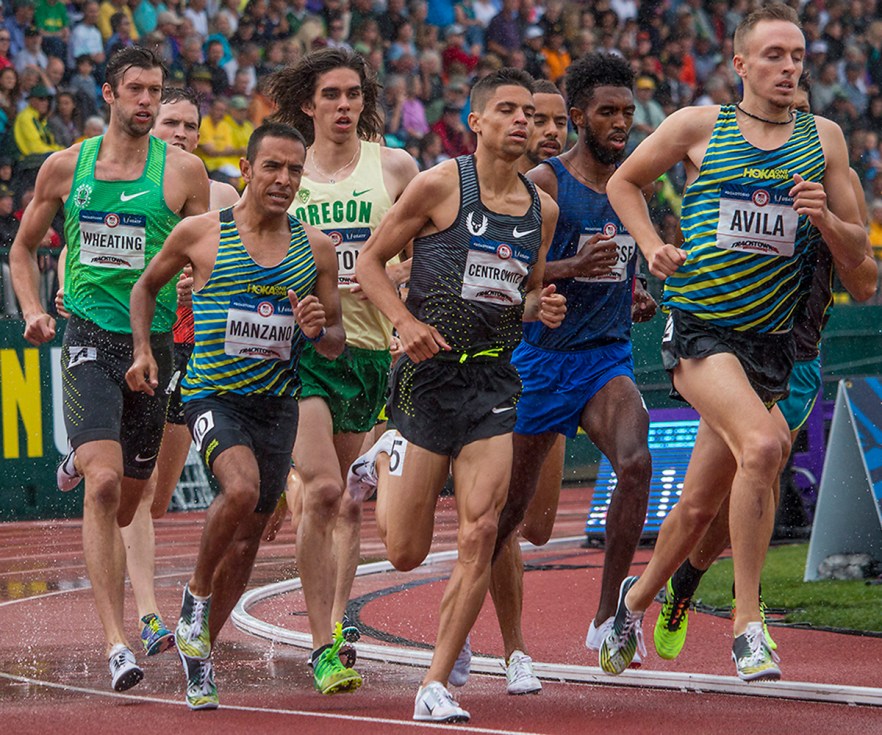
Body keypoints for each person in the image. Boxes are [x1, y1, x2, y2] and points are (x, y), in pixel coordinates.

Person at [600, 3, 868, 681]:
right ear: (741, 65)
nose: (788, 67)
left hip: (775, 344)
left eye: (798, 56)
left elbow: (862, 259)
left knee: (696, 505)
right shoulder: (700, 125)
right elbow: (623, 180)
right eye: (773, 55)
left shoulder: (825, 139)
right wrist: (653, 243)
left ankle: (631, 603)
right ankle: (749, 623)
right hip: (700, 325)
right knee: (766, 446)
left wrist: (827, 218)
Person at [349, 67, 566, 723]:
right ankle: (384, 453)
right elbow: (368, 263)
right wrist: (406, 323)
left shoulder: (542, 210)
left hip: (493, 383)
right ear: (477, 121)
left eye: (530, 111)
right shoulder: (442, 184)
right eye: (507, 109)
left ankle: (435, 682)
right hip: (425, 379)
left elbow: (514, 290)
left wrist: (538, 304)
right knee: (405, 551)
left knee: (483, 528)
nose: (523, 121)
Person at [652, 73, 877, 663]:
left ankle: (674, 588)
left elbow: (865, 279)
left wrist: (825, 218)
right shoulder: (724, 149)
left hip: (793, 358)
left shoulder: (834, 178)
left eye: (799, 100)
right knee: (756, 455)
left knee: (721, 495)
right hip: (720, 337)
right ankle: (738, 617)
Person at [9, 46, 210, 691]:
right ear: (109, 95)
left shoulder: (183, 174)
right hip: (91, 334)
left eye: (156, 91)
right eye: (137, 90)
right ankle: (117, 640)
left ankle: (84, 462)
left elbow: (208, 255)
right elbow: (21, 250)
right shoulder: (67, 168)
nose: (149, 102)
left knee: (132, 501)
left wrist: (198, 299)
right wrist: (37, 308)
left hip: (156, 347)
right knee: (102, 486)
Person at [125, 122, 344, 710]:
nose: (283, 179)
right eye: (271, 167)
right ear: (246, 170)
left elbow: (335, 339)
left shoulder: (315, 248)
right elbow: (145, 288)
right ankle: (195, 598)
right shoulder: (201, 234)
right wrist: (145, 349)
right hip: (211, 396)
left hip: (278, 405)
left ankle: (201, 653)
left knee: (248, 544)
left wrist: (318, 328)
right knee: (241, 490)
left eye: (294, 170)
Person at [489, 53, 656, 695]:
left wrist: (634, 294)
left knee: (636, 463)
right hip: (540, 362)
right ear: (579, 116)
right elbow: (505, 279)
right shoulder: (545, 184)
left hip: (605, 360)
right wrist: (569, 269)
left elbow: (625, 265)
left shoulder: (632, 184)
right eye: (607, 113)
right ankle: (481, 640)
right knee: (508, 518)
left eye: (628, 113)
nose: (620, 124)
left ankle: (611, 614)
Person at [264, 47, 418, 695]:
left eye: (354, 94)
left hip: (369, 354)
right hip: (305, 354)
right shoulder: (290, 175)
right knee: (328, 491)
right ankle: (324, 642)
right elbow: (259, 246)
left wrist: (407, 275)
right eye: (331, 95)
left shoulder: (395, 166)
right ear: (308, 103)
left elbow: (435, 238)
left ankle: (332, 619)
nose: (345, 105)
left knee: (347, 504)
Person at [114, 86, 240, 660]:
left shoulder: (220, 195)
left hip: (200, 353)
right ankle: (147, 616)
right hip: (137, 341)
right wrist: (67, 283)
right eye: (171, 122)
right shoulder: (126, 180)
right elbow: (89, 243)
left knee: (158, 498)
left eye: (190, 125)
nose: (181, 133)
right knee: (130, 493)